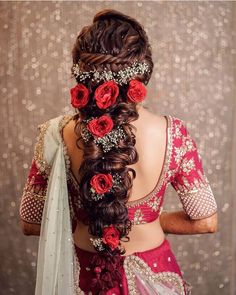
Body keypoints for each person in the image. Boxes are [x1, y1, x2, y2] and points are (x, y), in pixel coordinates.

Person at [19, 9, 218, 295]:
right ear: (142, 72)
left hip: (82, 279)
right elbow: (205, 221)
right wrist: (149, 219)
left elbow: (30, 221)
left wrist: (94, 216)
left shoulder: (56, 133)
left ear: (81, 71)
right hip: (155, 279)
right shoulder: (173, 134)